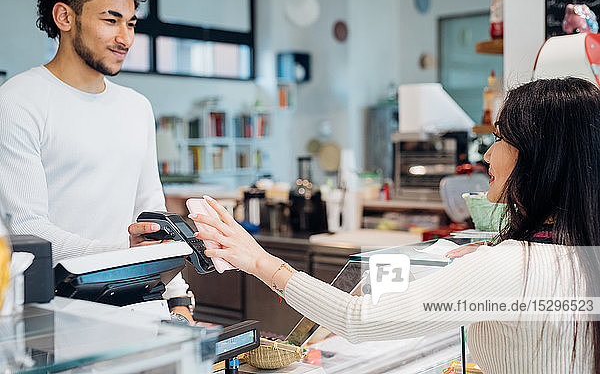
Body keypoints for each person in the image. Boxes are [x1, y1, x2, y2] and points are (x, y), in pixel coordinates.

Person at [191, 78, 600, 372]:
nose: (487, 156)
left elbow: (358, 319)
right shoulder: (582, 253)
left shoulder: (509, 267)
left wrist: (260, 261)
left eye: (501, 139)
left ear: (539, 158)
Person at [0, 0, 193, 322]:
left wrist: (178, 299)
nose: (125, 38)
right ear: (65, 17)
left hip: (144, 309)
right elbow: (27, 230)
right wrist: (123, 252)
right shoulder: (18, 101)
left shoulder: (137, 107)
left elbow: (150, 214)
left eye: (131, 23)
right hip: (59, 314)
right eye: (111, 20)